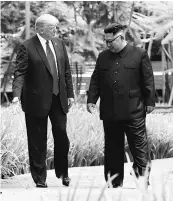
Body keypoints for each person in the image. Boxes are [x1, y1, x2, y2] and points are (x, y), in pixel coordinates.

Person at [87, 23, 155, 188]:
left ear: (121, 37)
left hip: (134, 109)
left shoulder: (139, 54)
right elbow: (96, 80)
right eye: (106, 41)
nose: (108, 45)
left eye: (111, 41)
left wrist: (150, 102)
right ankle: (114, 181)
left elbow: (148, 80)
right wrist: (91, 100)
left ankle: (142, 178)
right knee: (112, 148)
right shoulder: (103, 56)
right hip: (110, 110)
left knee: (139, 146)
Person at [12, 14, 74, 188]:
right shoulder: (27, 47)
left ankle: (63, 172)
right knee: (37, 140)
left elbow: (66, 71)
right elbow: (20, 72)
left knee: (62, 136)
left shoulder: (59, 44)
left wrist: (70, 94)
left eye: (56, 27)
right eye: (53, 27)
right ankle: (40, 178)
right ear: (40, 29)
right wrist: (16, 95)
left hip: (58, 99)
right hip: (35, 100)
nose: (56, 30)